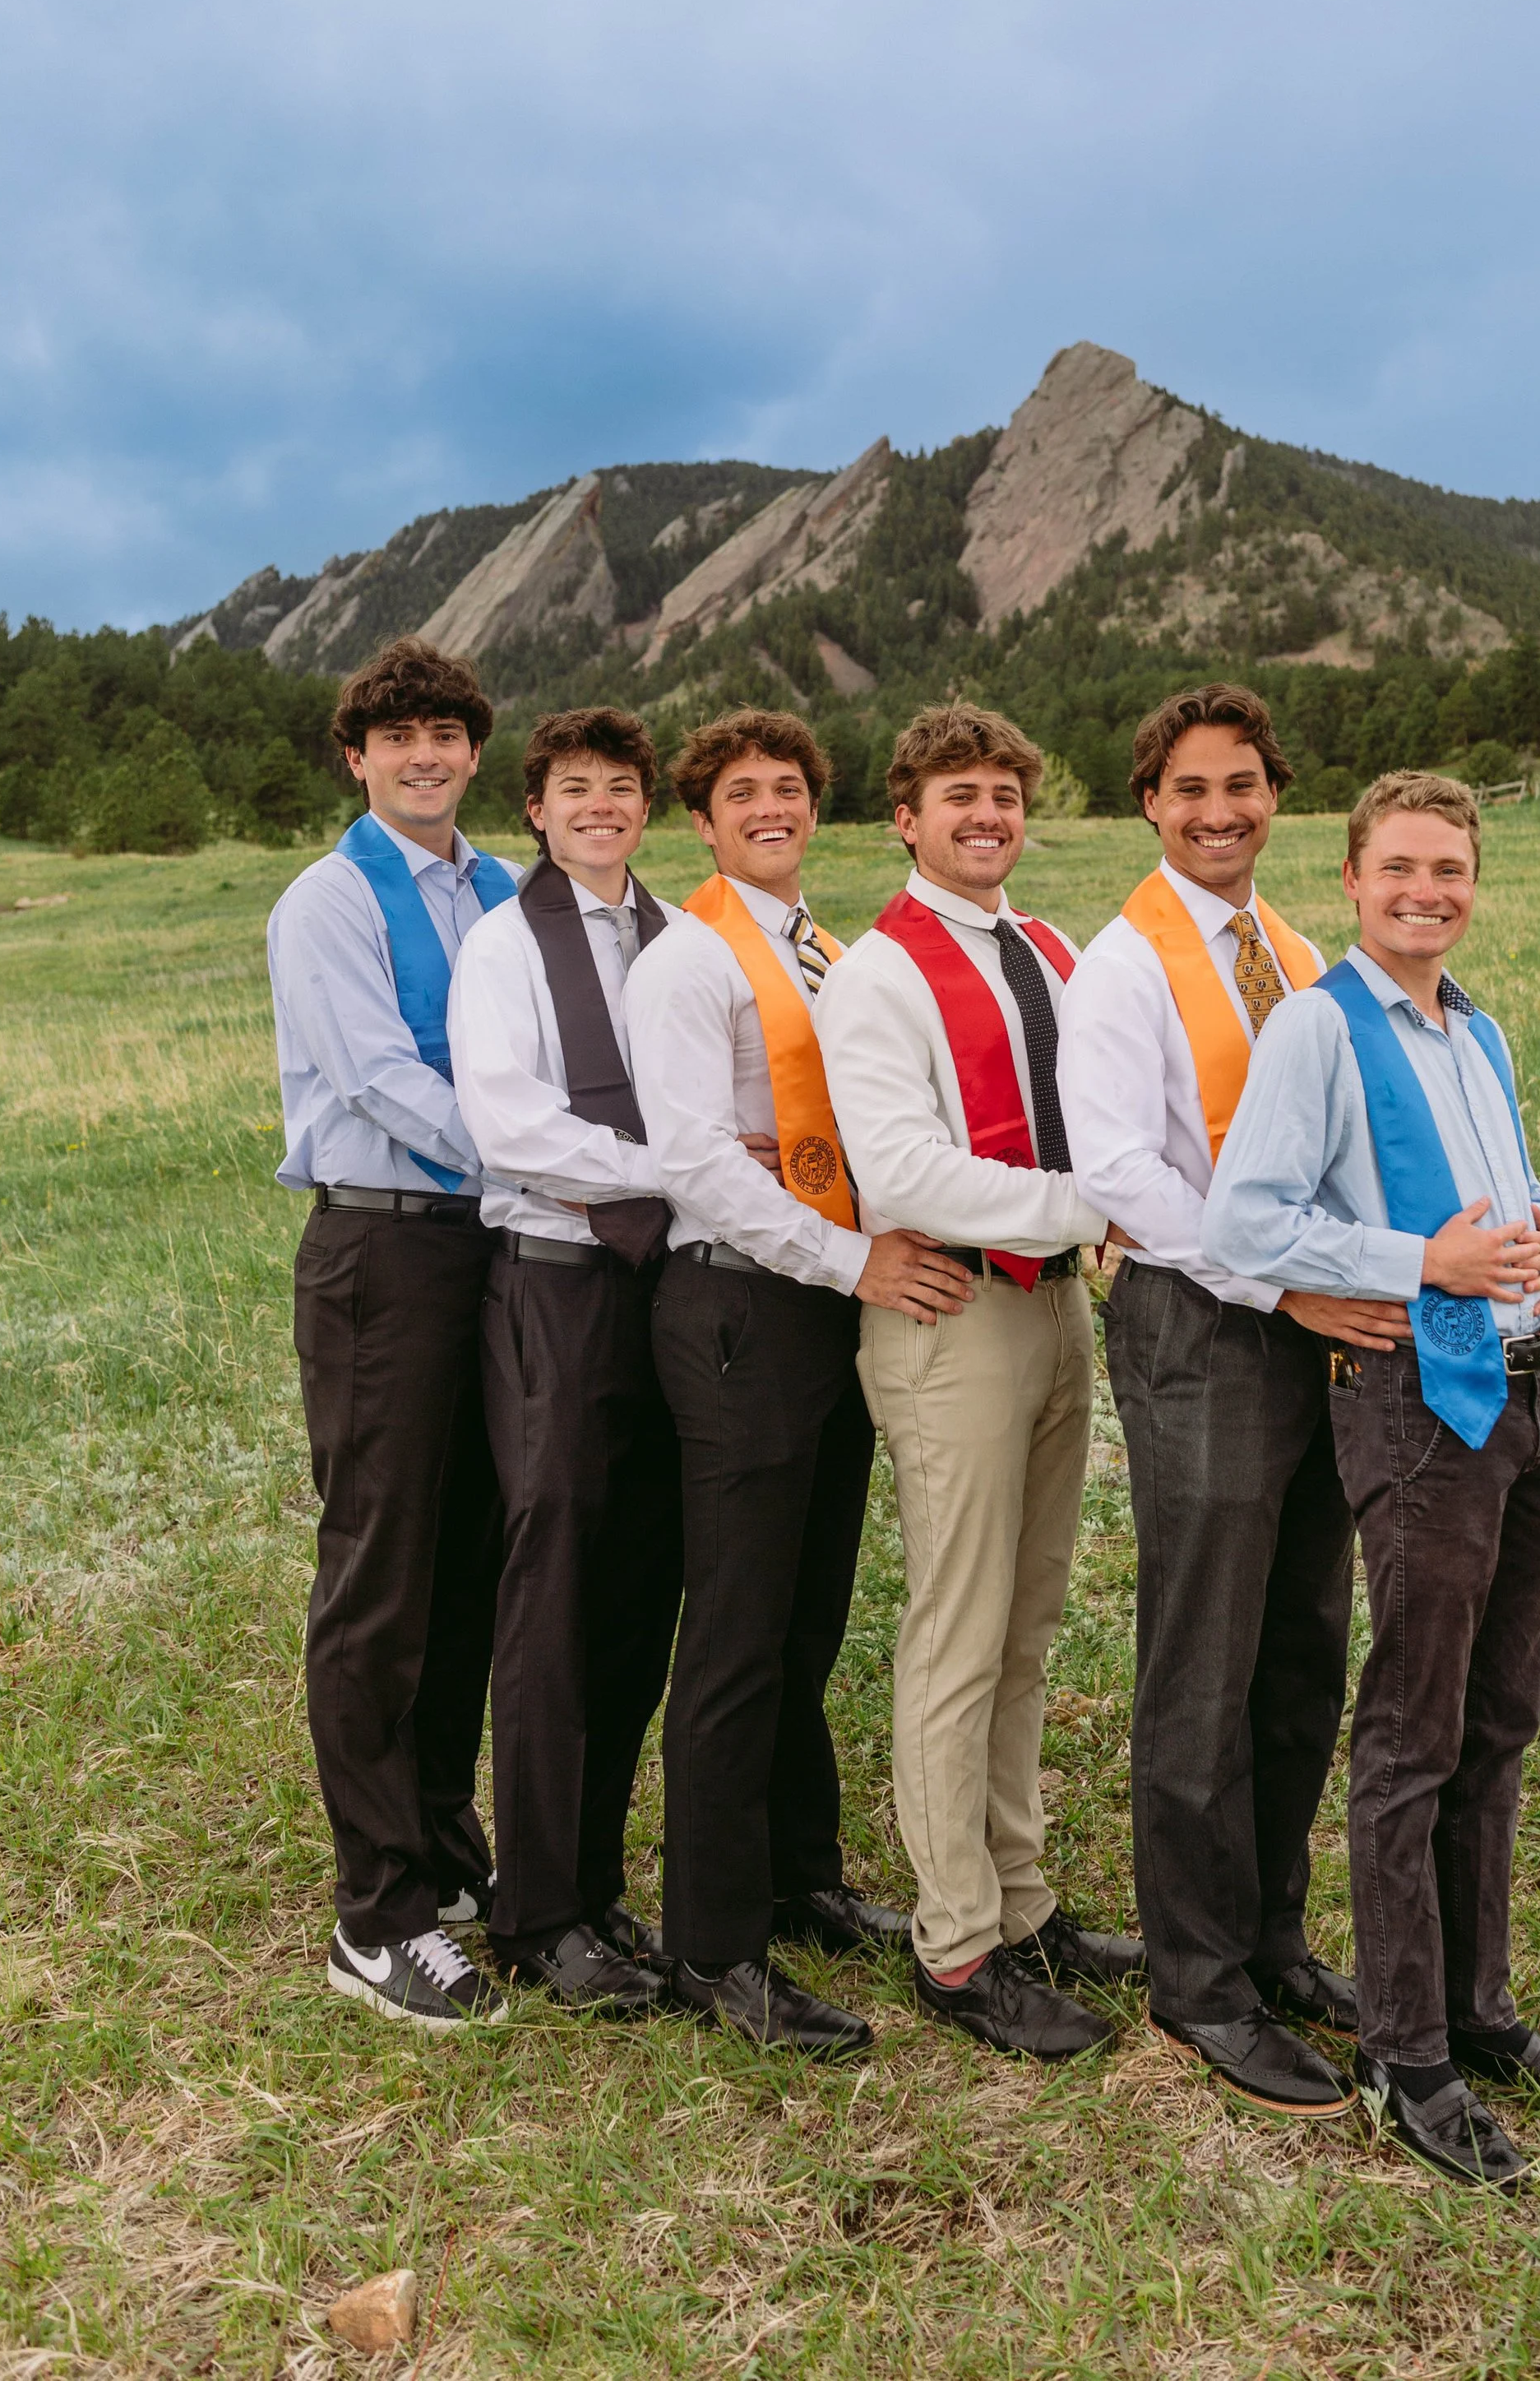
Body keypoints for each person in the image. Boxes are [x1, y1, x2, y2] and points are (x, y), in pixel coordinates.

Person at [1203, 769, 1540, 2189]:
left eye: (1448, 868)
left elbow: (1509, 1183)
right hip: (1419, 1408)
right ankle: (1406, 2050)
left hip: (1533, 1391)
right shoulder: (1318, 1029)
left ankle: (1479, 2008)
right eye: (1399, 868)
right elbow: (1247, 1218)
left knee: (1501, 1717)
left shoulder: (1478, 1026)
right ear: (1352, 879)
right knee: (1414, 1730)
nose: (1426, 891)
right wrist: (1417, 1265)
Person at [1060, 684, 1413, 2119]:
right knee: (1203, 1652)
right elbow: (1122, 1176)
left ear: (1279, 798)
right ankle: (1196, 1976)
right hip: (1203, 1324)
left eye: (1247, 785)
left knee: (1299, 1638)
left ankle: (1272, 1932)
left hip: (1306, 1326)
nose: (1221, 811)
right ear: (1150, 799)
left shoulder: (1295, 947)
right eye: (1193, 787)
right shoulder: (1121, 966)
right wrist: (1284, 1283)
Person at [624, 708, 966, 2059]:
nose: (770, 806)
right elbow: (699, 1162)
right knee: (737, 1629)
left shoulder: (823, 949)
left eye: (788, 787)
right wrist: (848, 1253)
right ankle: (714, 1944)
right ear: (699, 824)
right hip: (743, 1306)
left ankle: (800, 1875)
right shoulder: (686, 956)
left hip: (825, 1303)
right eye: (739, 793)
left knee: (810, 1611)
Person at [815, 702, 1144, 2064]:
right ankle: (954, 1942)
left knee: (1029, 1619)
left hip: (1059, 1309)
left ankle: (1021, 1892)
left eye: (1006, 795)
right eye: (959, 796)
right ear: (907, 816)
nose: (987, 816)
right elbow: (903, 1174)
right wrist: (1093, 1198)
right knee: (958, 1624)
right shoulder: (878, 974)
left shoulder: (1054, 953)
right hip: (955, 1319)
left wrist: (1108, 1211)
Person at [266, 636, 516, 2032]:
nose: (425, 754)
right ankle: (377, 1912)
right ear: (357, 757)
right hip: (386, 1247)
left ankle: (437, 1835)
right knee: (380, 1566)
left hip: (492, 1252)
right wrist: (532, 1160)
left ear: (476, 753)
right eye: (397, 735)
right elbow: (376, 1071)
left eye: (448, 732)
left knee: (470, 1549)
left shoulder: (500, 889)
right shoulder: (327, 900)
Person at [447, 707, 685, 2018]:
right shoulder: (501, 946)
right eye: (574, 788)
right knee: (552, 1587)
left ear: (646, 805)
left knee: (642, 1580)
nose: (601, 805)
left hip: (666, 1288)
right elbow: (513, 1122)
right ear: (535, 808)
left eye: (623, 787)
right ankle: (535, 1911)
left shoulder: (674, 939)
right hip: (555, 1285)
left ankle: (594, 1879)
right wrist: (679, 1169)